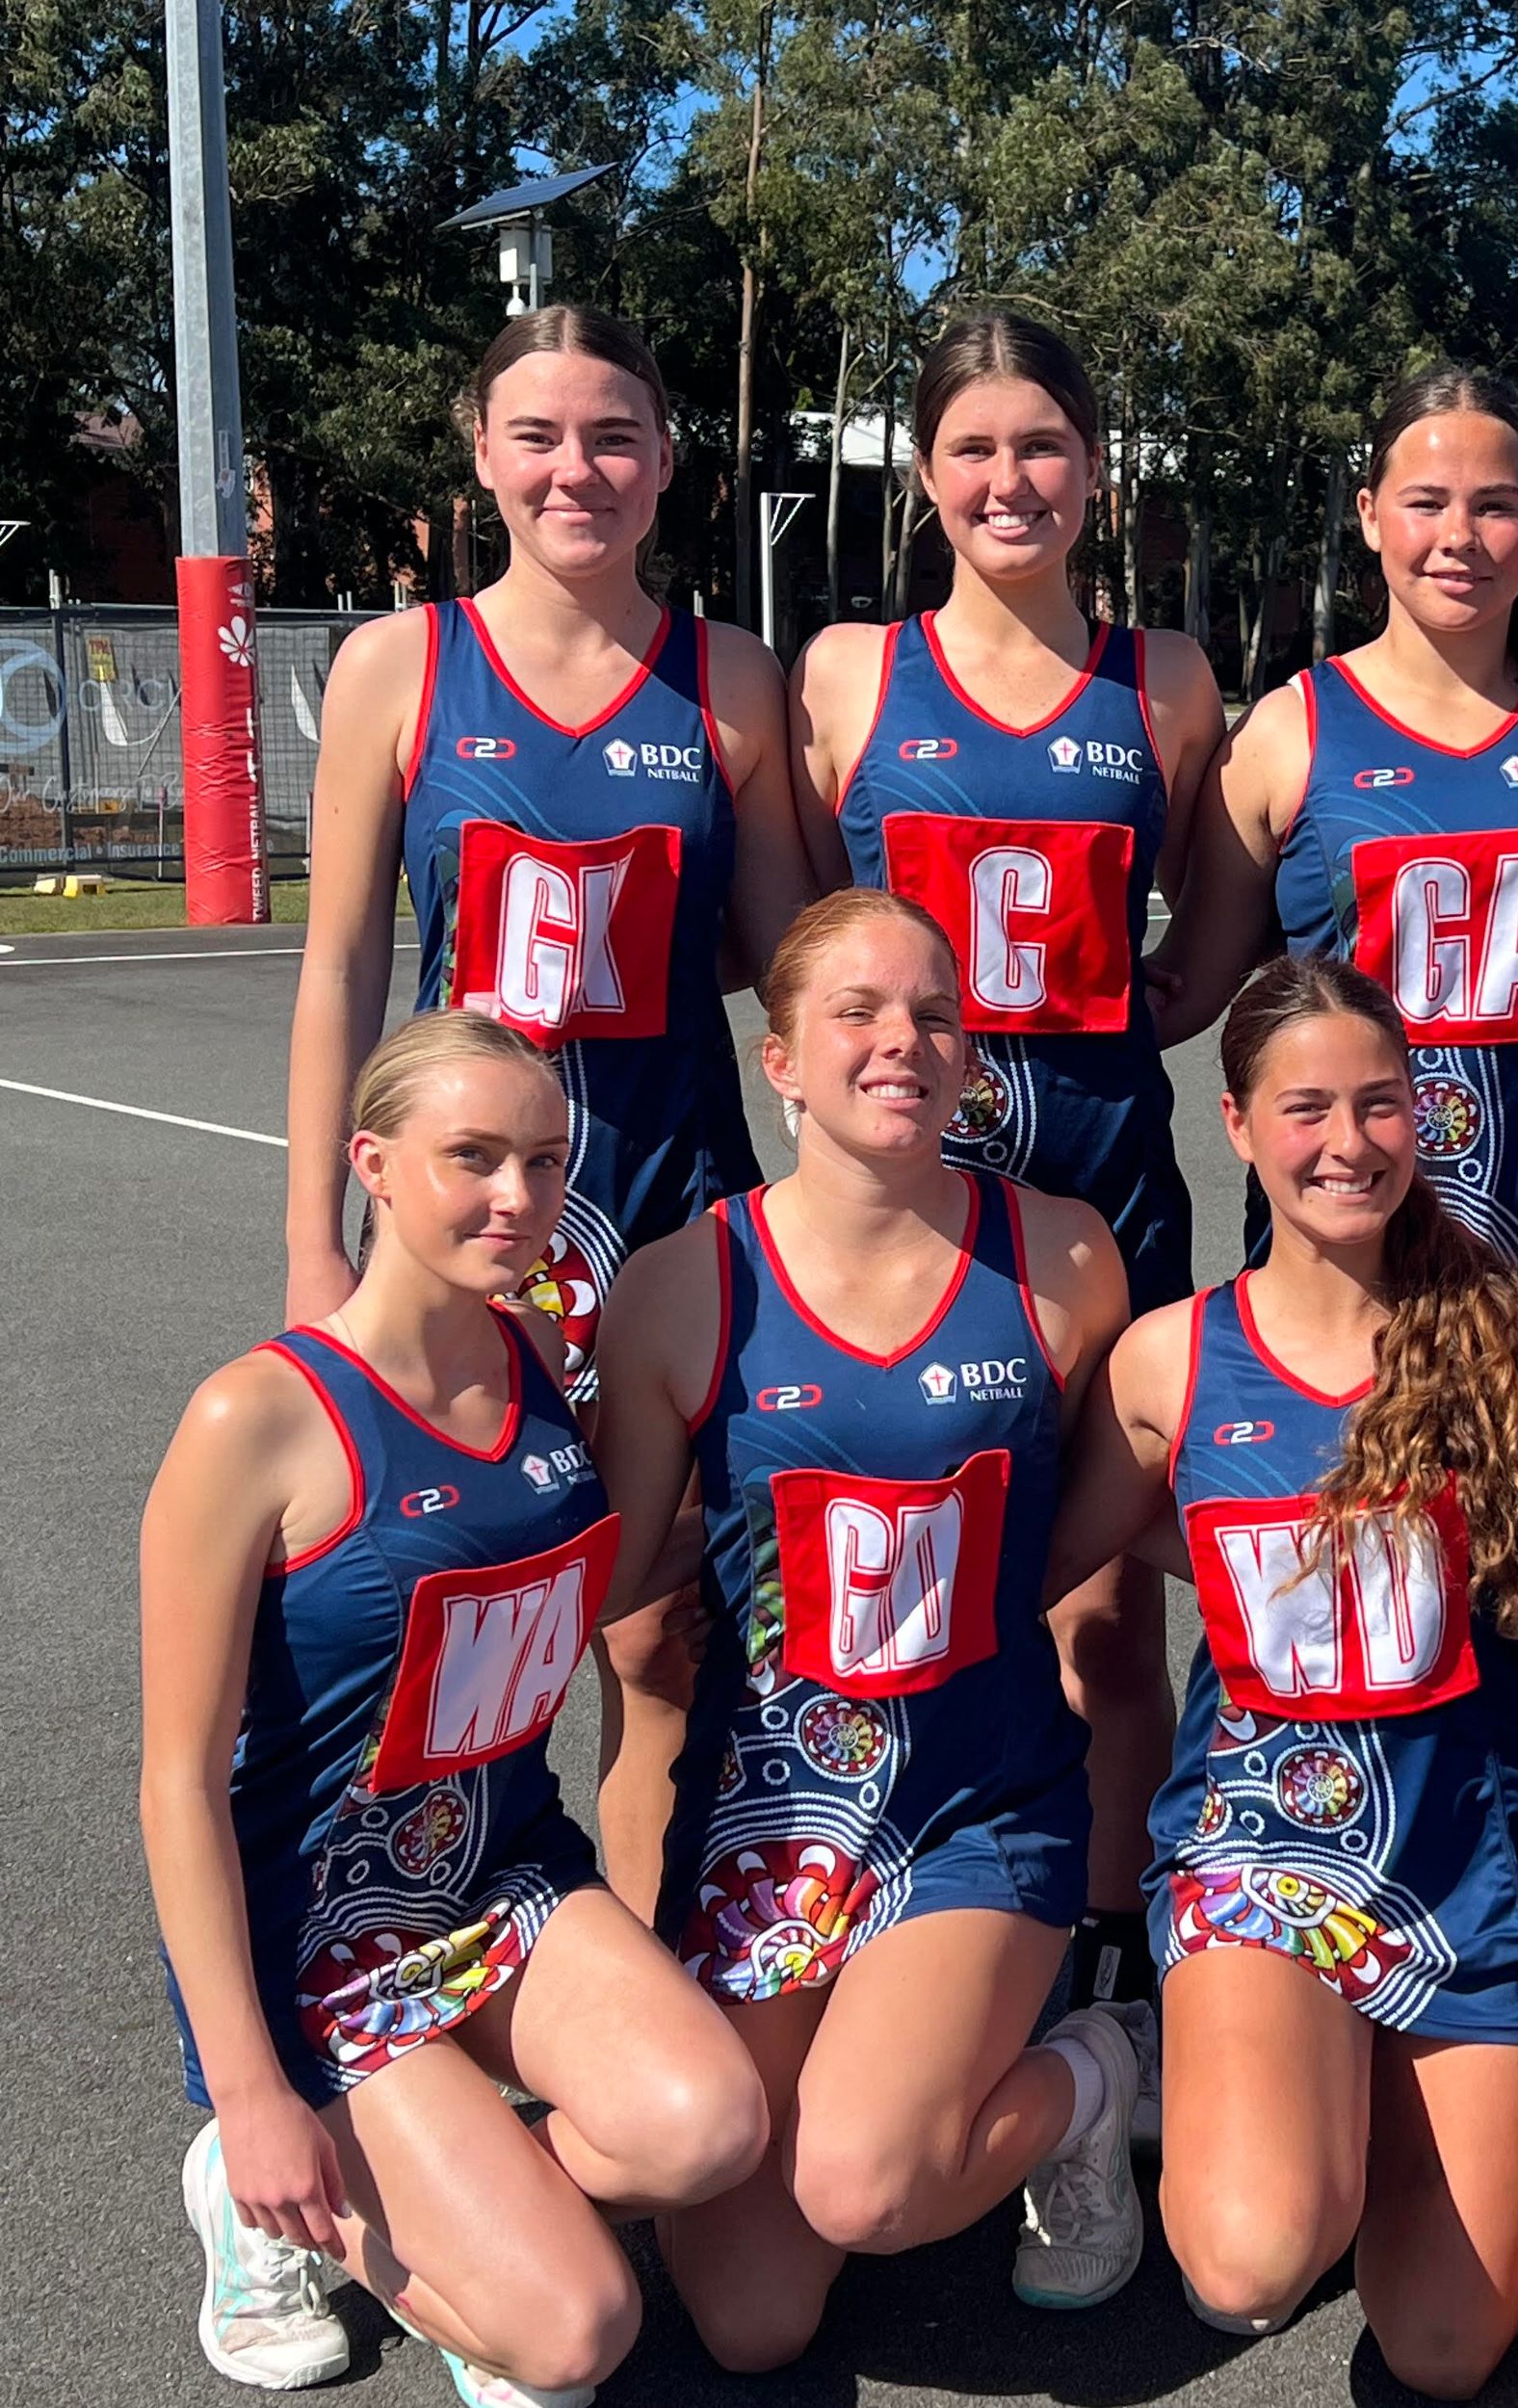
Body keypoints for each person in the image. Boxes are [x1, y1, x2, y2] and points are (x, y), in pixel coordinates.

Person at [143, 1013, 768, 2407]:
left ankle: (458, 2215)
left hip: (500, 1874)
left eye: (544, 1162)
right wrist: (248, 2091)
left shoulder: (536, 1353)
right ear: (371, 1163)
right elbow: (178, 1784)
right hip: (320, 1935)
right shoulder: (256, 1419)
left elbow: (590, 1576)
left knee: (710, 2129)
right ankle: (258, 2191)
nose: (517, 1198)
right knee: (576, 2334)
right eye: (472, 1157)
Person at [283, 304, 809, 1921]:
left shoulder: (728, 679)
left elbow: (788, 961)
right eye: (539, 435)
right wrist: (312, 1240)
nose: (576, 469)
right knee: (454, 1610)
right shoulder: (398, 666)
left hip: (668, 1208)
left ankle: (650, 1967)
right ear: (482, 456)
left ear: (665, 462)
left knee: (658, 1638)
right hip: (465, 1225)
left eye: (613, 437)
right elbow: (342, 962)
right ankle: (423, 1960)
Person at [589, 889, 1146, 2369]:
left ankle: (1090, 2077)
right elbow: (606, 1580)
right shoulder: (681, 1288)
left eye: (934, 1015)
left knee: (865, 2185)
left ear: (971, 1057)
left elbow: (1095, 1524)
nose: (903, 1039)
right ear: (778, 1059)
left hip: (976, 1805)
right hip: (770, 1817)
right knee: (753, 2319)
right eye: (859, 1011)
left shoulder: (1064, 1261)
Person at [1047, 954, 1518, 2395]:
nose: (1347, 1143)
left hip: (1475, 1847)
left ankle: (1341, 2080)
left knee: (1445, 2352)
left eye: (1379, 1103)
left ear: (1421, 1111)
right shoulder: (1170, 1364)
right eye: (1305, 1109)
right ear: (1238, 1125)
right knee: (1250, 2261)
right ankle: (1149, 2067)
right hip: (1263, 1842)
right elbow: (1026, 1569)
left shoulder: (1509, 1337)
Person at [791, 309, 1227, 2044]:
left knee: (1108, 1599)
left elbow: (1203, 951)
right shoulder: (847, 673)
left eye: (1042, 444)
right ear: (925, 473)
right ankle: (874, 1900)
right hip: (904, 1209)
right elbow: (811, 947)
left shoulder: (1166, 680)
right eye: (972, 448)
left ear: (1096, 468)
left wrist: (1089, 1037)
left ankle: (1109, 1963)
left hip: (1105, 1197)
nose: (1010, 479)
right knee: (884, 1567)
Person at [1152, 363, 1518, 1283]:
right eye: (1426, 503)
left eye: (1495, 505)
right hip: (1346, 1247)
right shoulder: (1290, 732)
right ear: (1371, 514)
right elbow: (1191, 982)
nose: (1459, 537)